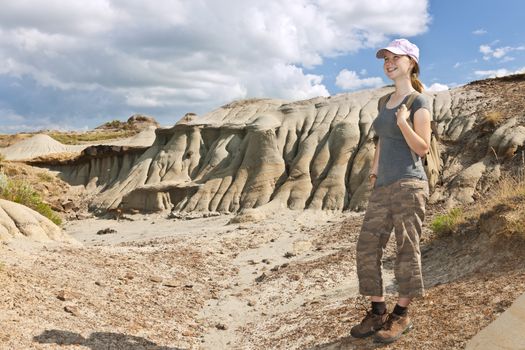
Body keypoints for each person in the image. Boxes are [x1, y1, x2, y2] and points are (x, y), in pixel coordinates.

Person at [350, 38, 432, 343]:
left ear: (410, 63)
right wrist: (374, 168)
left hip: (410, 184)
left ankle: (401, 316)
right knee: (367, 247)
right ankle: (378, 310)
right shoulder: (384, 103)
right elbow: (382, 139)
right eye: (385, 59)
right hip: (383, 185)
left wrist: (403, 123)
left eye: (395, 58)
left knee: (406, 249)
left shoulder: (418, 103)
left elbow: (421, 148)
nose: (388, 63)